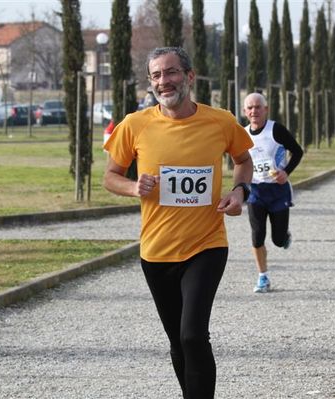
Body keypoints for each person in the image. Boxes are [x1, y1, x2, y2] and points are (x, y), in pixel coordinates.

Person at [103, 47, 253, 399]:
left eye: (170, 72)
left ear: (189, 76)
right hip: (156, 252)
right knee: (177, 340)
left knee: (193, 335)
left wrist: (239, 192)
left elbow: (243, 160)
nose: (163, 81)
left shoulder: (220, 121)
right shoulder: (135, 124)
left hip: (206, 245)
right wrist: (131, 185)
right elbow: (110, 176)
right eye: (156, 75)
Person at [243, 92, 304, 293]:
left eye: (258, 107)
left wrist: (286, 172)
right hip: (256, 192)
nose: (254, 111)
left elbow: (297, 151)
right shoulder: (242, 134)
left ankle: (284, 235)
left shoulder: (275, 130)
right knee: (257, 235)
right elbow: (239, 162)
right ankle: (263, 277)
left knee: (278, 240)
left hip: (278, 192)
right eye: (250, 108)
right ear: (245, 112)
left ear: (266, 109)